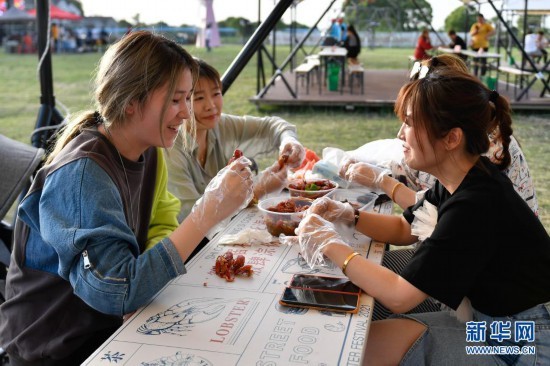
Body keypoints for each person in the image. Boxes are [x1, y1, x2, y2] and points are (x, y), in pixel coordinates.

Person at [0, 31, 253, 365]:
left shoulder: (146, 152)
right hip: (55, 346)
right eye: (176, 100)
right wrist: (208, 211)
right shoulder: (82, 175)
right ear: (131, 102)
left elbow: (137, 257)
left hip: (109, 327)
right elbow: (116, 290)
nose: (186, 113)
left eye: (187, 99)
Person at [297, 67, 550, 365]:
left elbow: (400, 297)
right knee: (360, 344)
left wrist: (329, 243)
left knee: (360, 351)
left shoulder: (475, 203)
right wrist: (347, 215)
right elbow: (406, 227)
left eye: (409, 123)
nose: (400, 134)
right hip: (496, 325)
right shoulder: (462, 180)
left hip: (523, 343)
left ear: (452, 138)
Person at [166, 58, 305, 223]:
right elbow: (190, 218)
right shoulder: (170, 146)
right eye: (198, 98)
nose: (211, 105)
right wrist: (257, 189)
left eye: (216, 93)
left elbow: (271, 126)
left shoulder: (221, 125)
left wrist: (289, 141)